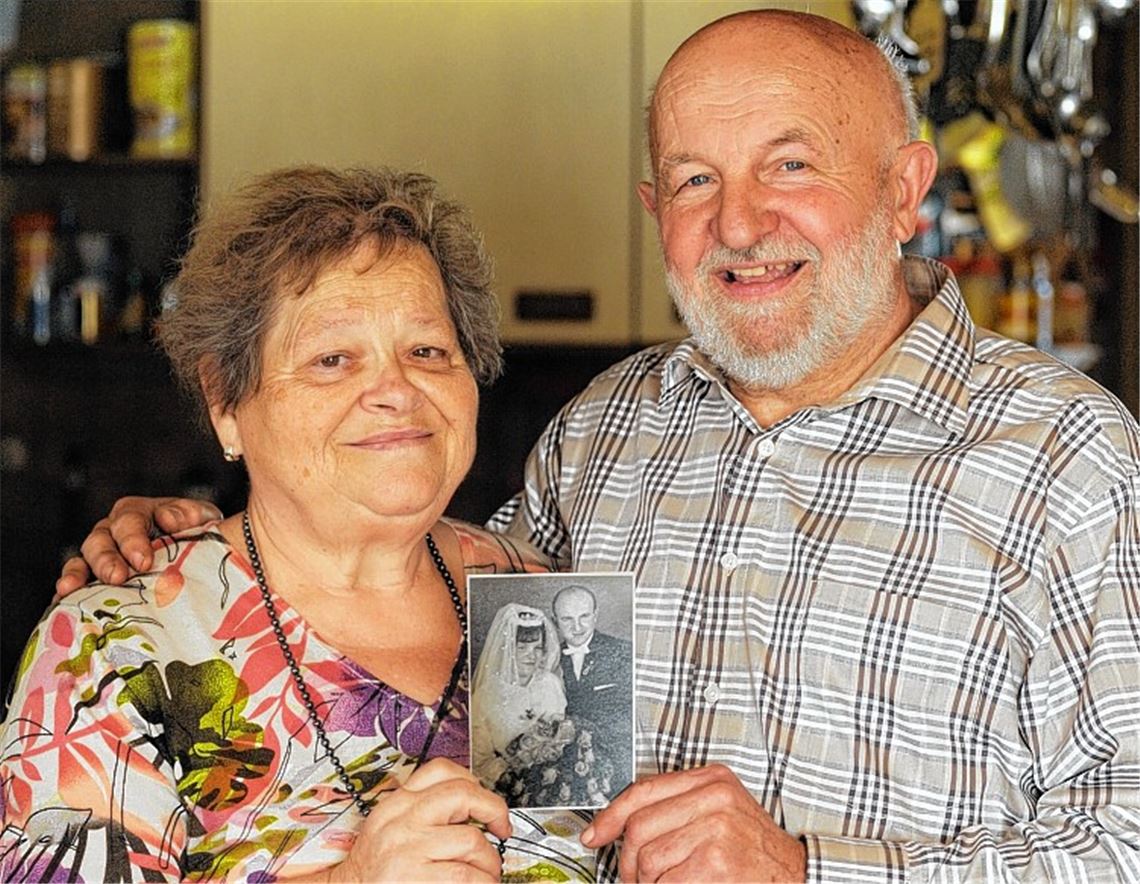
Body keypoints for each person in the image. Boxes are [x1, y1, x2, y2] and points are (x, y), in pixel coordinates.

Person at [54, 9, 1140, 882]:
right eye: (696, 179)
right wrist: (207, 549)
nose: (743, 222)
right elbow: (433, 615)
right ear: (652, 205)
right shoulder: (605, 431)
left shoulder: (1067, 462)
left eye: (791, 165)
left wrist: (809, 869)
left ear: (904, 189)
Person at [0, 165, 600, 882]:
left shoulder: (539, 594)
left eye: (427, 351)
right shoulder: (115, 645)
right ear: (226, 402)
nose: (395, 390)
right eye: (332, 359)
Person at [470, 603, 566, 790]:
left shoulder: (551, 683)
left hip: (553, 777)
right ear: (507, 649)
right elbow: (480, 762)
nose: (531, 656)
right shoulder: (486, 695)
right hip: (508, 784)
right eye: (522, 648)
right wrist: (515, 778)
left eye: (537, 648)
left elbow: (561, 732)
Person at [551, 585, 633, 792]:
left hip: (615, 762)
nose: (577, 627)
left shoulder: (624, 652)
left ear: (595, 616)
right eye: (567, 619)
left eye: (584, 616)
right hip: (564, 765)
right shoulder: (548, 659)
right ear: (554, 621)